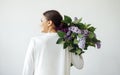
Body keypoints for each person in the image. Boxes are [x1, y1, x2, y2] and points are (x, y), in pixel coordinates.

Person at [22, 10, 84, 75]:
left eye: (42, 21)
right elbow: (80, 65)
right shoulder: (68, 42)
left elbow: (28, 69)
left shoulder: (35, 41)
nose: (40, 24)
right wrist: (76, 42)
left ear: (49, 23)